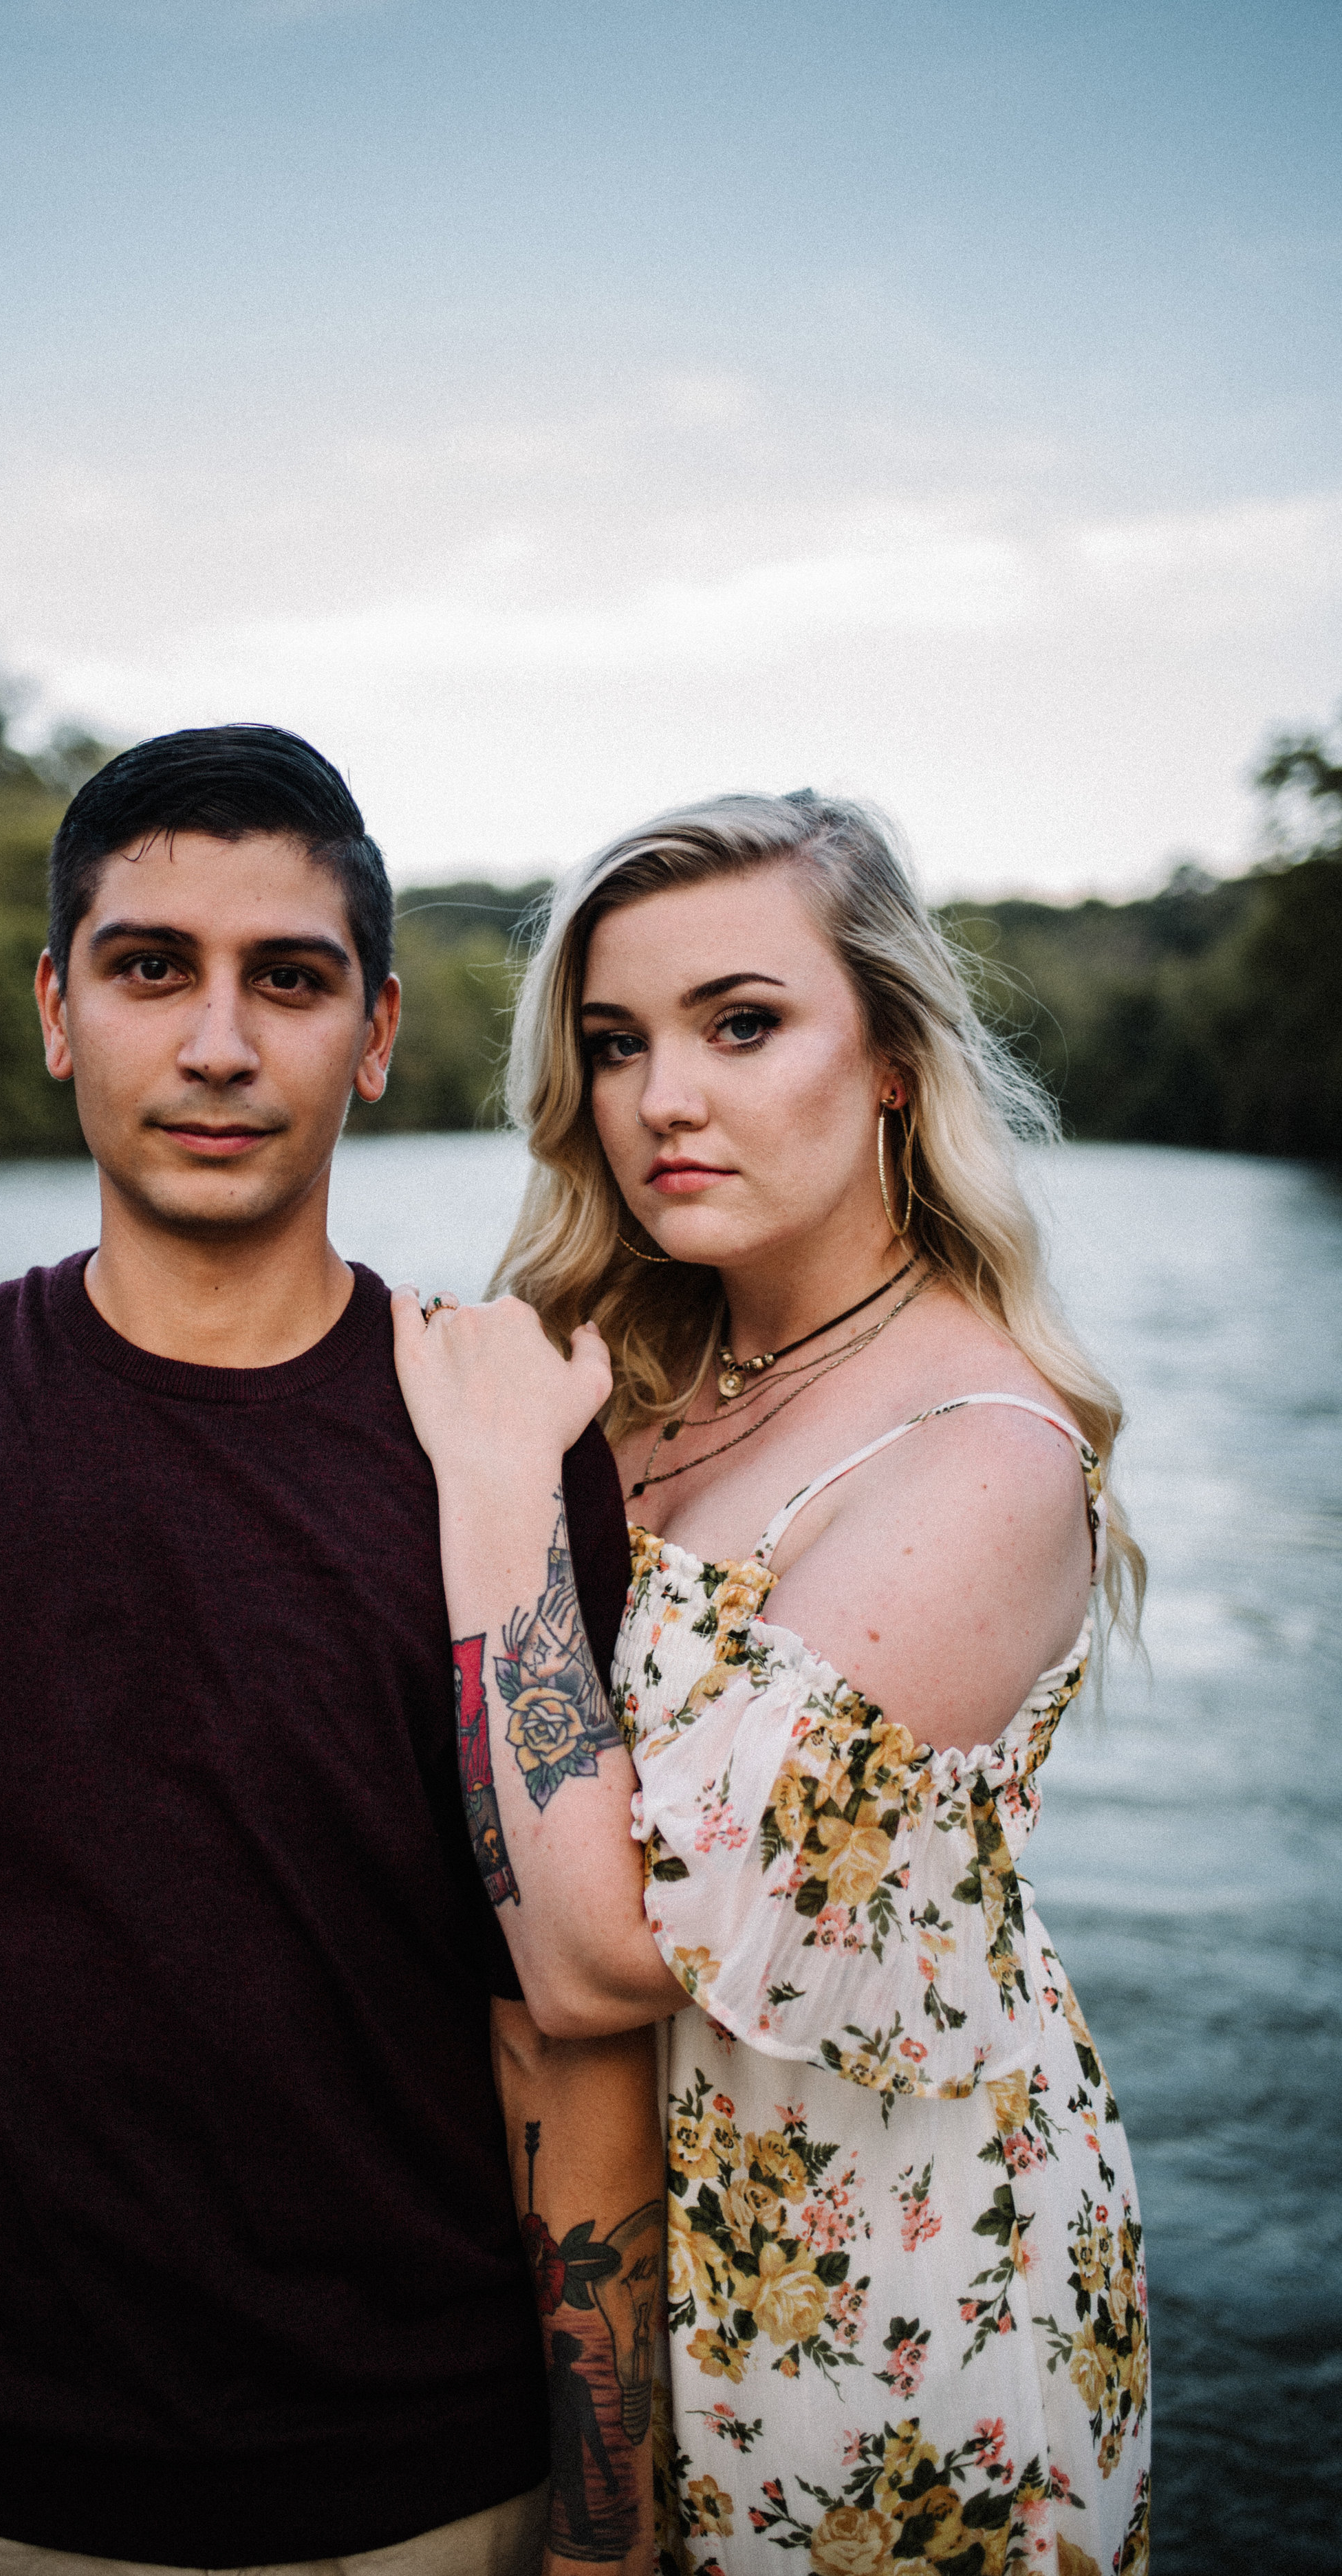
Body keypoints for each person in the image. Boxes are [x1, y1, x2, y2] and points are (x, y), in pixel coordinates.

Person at [0, 723, 663, 2576]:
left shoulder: (497, 1436)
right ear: (58, 1007)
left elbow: (553, 2018)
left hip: (428, 2491)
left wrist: (606, 2524)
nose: (218, 1043)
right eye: (152, 967)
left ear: (374, 1033)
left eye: (286, 980)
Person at [392, 793, 1153, 2576]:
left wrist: (493, 1487)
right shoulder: (641, 1366)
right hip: (608, 2271)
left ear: (886, 1055)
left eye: (741, 1022)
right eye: (614, 1041)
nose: (663, 1093)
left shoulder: (977, 1458)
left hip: (882, 2306)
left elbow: (599, 1959)